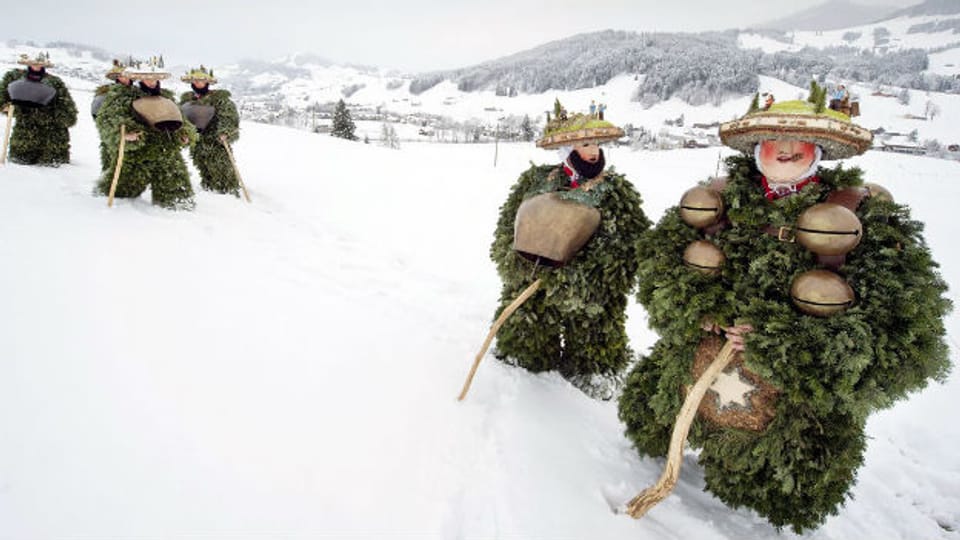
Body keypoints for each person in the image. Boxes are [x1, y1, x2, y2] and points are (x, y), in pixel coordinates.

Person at [618, 82, 950, 532]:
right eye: (776, 140)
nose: (788, 151)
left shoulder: (861, 213)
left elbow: (906, 325)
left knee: (779, 477)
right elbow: (661, 260)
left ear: (818, 149)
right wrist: (703, 310)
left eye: (800, 141)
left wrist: (782, 342)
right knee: (657, 410)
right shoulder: (717, 198)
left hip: (788, 396)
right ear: (757, 148)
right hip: (699, 361)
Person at [490, 103, 650, 398]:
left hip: (590, 289)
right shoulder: (537, 182)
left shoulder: (615, 192)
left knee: (594, 323)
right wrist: (522, 263)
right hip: (535, 279)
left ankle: (591, 368)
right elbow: (509, 227)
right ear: (567, 149)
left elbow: (627, 246)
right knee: (529, 316)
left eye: (597, 144)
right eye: (586, 144)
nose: (594, 152)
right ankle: (526, 353)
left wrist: (585, 279)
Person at [95, 57, 197, 210]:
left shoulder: (166, 98)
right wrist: (124, 133)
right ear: (139, 78)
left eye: (154, 78)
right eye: (147, 78)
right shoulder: (122, 97)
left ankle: (178, 211)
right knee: (122, 191)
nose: (151, 81)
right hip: (138, 154)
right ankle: (110, 201)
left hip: (166, 151)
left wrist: (184, 133)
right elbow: (109, 119)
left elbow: (180, 119)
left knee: (175, 191)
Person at [0, 52, 77, 166]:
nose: (36, 65)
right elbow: (2, 99)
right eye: (34, 63)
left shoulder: (55, 83)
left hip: (52, 142)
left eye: (40, 63)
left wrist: (49, 115)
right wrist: (7, 108)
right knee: (19, 170)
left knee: (54, 173)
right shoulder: (14, 78)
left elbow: (69, 115)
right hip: (24, 139)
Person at [179, 65, 241, 195]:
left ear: (207, 82)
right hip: (197, 141)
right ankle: (209, 191)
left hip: (215, 141)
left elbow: (229, 118)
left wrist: (225, 132)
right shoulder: (187, 100)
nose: (198, 83)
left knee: (221, 168)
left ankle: (229, 192)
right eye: (195, 80)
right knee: (203, 167)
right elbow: (182, 118)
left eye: (201, 80)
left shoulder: (219, 99)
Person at [93, 59, 134, 172]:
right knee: (112, 166)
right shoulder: (106, 95)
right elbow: (98, 116)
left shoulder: (137, 93)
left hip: (134, 136)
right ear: (117, 78)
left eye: (127, 76)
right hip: (113, 136)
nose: (125, 79)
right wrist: (115, 132)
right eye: (121, 76)